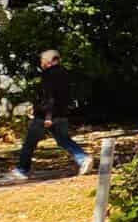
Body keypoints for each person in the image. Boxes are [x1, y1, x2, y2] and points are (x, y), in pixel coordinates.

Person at [9, 49, 92, 182]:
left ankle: (21, 170)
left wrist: (48, 116)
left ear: (48, 61)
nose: (41, 63)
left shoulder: (49, 75)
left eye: (42, 60)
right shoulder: (66, 73)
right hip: (62, 114)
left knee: (29, 143)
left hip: (45, 116)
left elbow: (49, 97)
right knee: (63, 139)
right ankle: (82, 158)